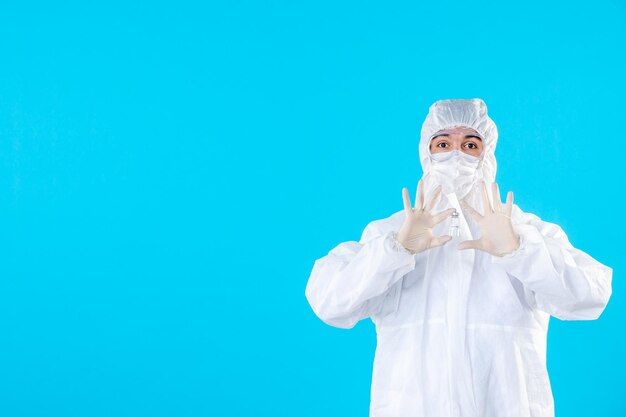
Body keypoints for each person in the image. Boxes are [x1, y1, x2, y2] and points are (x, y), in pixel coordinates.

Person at [304, 98, 613, 417]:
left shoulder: (522, 230)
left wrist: (520, 250)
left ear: (487, 153)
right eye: (443, 143)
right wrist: (395, 250)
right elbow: (328, 302)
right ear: (427, 153)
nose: (455, 154)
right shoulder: (393, 233)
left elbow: (591, 297)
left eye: (470, 144)